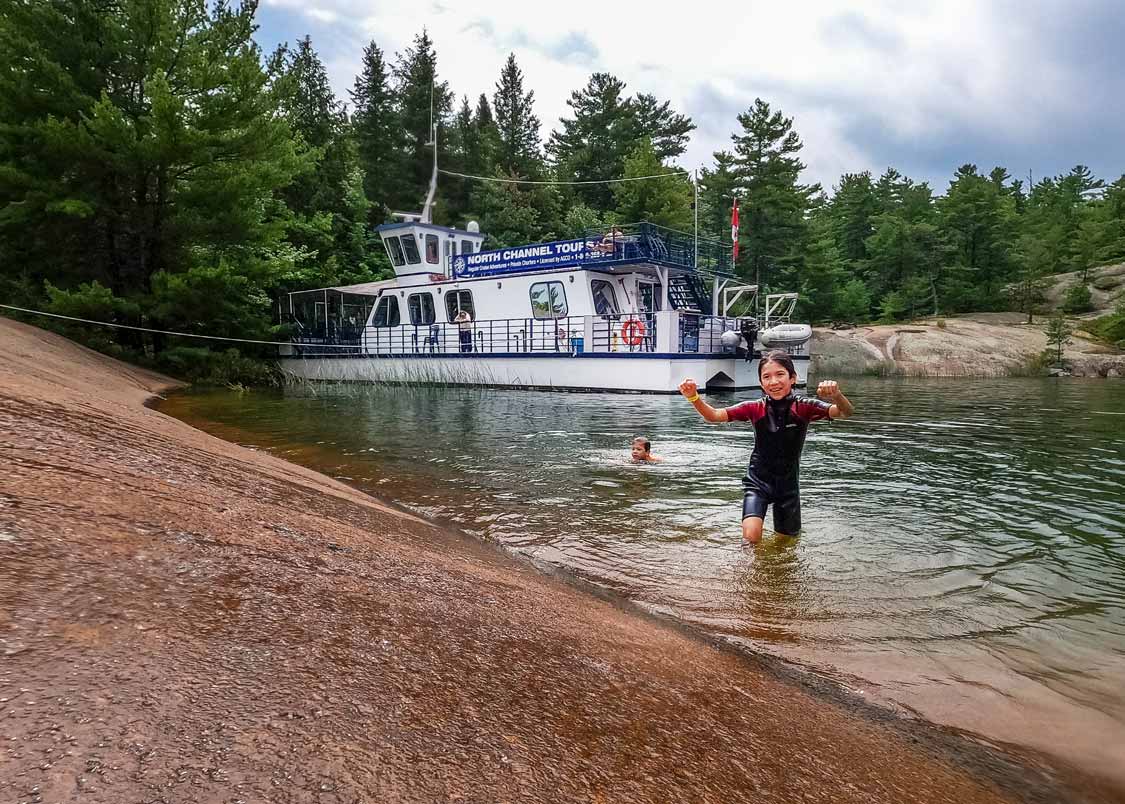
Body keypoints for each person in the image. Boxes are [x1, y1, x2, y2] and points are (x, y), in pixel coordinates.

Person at [679, 350, 854, 544]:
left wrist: (836, 395)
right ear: (761, 383)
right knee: (750, 539)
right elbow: (713, 416)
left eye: (780, 374)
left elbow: (845, 412)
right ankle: (749, 573)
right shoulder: (755, 408)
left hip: (788, 487)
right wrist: (693, 397)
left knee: (786, 545)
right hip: (757, 482)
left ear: (793, 378)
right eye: (767, 377)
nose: (773, 382)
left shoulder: (804, 406)